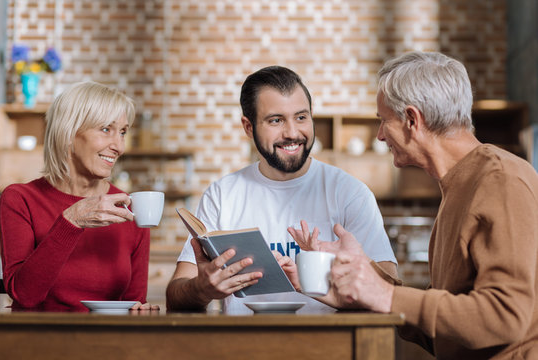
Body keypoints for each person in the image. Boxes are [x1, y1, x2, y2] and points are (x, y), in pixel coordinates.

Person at [290, 51, 538, 359]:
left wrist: (387, 294)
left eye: (384, 120)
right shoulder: (458, 187)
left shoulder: (501, 179)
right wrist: (362, 286)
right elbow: (447, 332)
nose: (380, 135)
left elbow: (505, 317)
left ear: (412, 120)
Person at [166, 66, 398, 314]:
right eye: (276, 120)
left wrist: (355, 267)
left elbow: (391, 293)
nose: (292, 133)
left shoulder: (350, 193)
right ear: (248, 127)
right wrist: (201, 289)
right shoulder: (221, 195)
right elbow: (175, 298)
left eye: (301, 117)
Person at [0, 81, 159, 312]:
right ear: (69, 133)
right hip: (38, 344)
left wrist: (140, 312)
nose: (119, 146)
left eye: (123, 132)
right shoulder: (20, 199)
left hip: (107, 344)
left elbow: (134, 303)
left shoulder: (128, 206)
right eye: (106, 129)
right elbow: (25, 295)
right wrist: (71, 222)